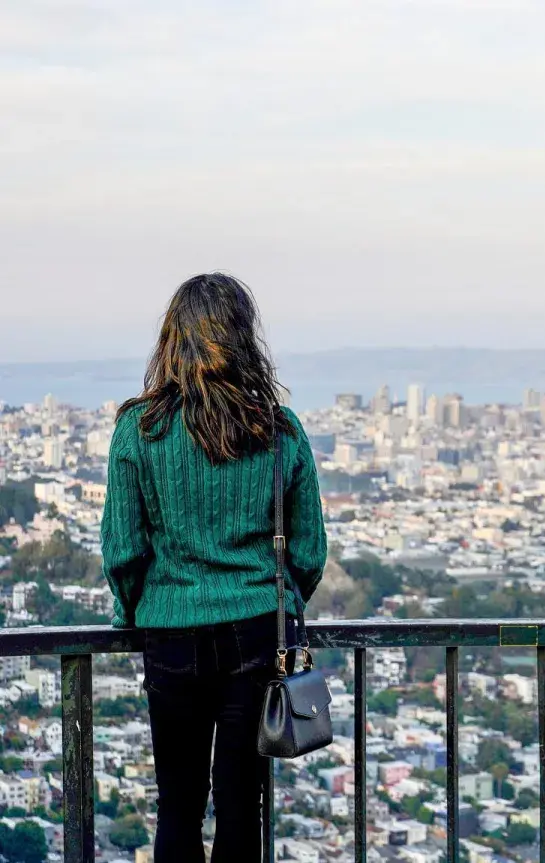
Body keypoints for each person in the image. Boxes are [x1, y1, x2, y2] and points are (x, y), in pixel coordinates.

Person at [101, 273, 327, 862]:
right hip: (255, 626)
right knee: (239, 802)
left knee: (177, 803)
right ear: (244, 337)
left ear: (172, 339)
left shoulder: (139, 429)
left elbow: (122, 550)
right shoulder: (277, 431)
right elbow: (309, 551)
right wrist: (276, 595)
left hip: (170, 631)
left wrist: (137, 612)